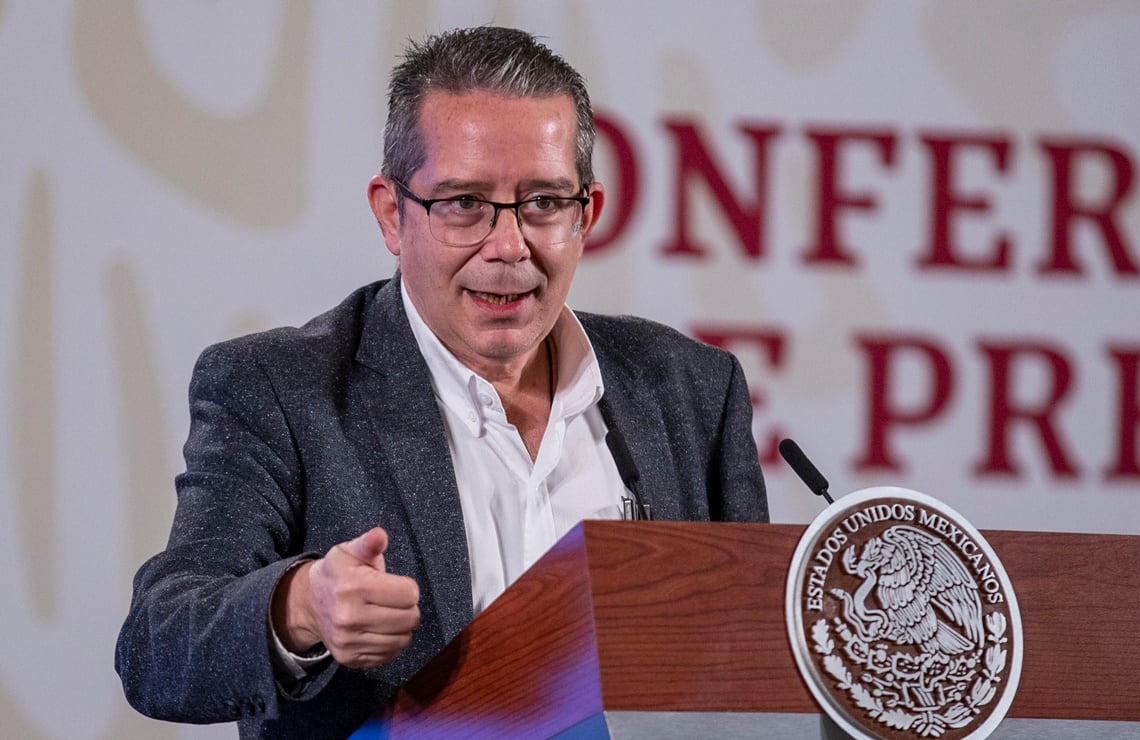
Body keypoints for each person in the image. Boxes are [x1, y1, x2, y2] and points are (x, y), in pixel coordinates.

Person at [116, 25, 768, 738]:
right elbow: (157, 646)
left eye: (543, 202)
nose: (509, 246)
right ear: (391, 214)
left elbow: (756, 671)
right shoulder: (281, 389)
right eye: (464, 203)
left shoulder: (691, 390)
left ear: (588, 216)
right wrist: (301, 607)